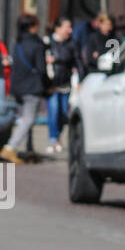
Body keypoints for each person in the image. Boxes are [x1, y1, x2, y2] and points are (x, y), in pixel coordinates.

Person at [0, 13, 48, 165]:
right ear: (32, 27)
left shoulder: (18, 43)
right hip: (32, 86)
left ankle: (29, 150)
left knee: (25, 118)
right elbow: (42, 68)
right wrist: (48, 84)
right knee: (28, 119)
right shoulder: (37, 44)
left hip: (18, 86)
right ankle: (10, 147)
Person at [45, 17, 76, 155]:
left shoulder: (71, 43)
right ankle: (53, 139)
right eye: (66, 27)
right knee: (53, 112)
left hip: (65, 83)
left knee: (63, 113)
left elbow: (75, 59)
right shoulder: (47, 42)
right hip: (51, 84)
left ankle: (57, 136)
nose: (69, 30)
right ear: (57, 28)